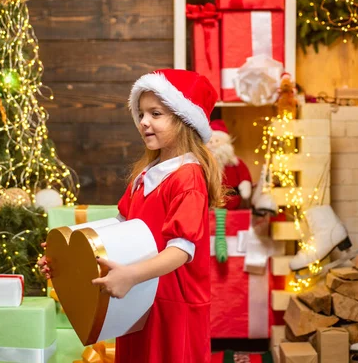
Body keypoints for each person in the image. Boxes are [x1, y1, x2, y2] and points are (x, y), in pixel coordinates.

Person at [39, 69, 223, 363]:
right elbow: (121, 226)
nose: (144, 122)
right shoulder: (146, 175)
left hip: (172, 305)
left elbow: (182, 249)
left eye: (156, 113)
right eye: (141, 114)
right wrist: (67, 255)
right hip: (140, 298)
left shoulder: (188, 177)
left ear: (184, 119)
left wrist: (131, 275)